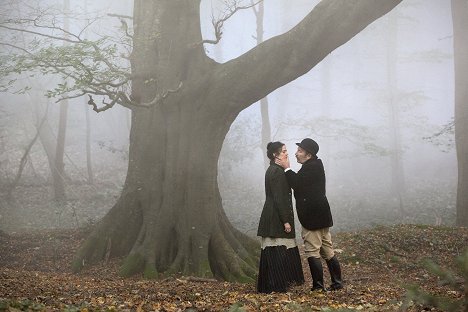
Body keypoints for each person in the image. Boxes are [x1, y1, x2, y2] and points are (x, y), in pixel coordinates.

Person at [276, 138, 343, 291]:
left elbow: (297, 184)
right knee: (328, 251)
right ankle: (337, 283)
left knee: (312, 252)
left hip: (313, 218)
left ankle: (318, 287)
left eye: (300, 151)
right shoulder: (314, 165)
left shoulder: (311, 167)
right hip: (322, 216)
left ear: (309, 154)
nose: (295, 154)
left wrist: (287, 168)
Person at [257, 141, 304, 293]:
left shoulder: (275, 169)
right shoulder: (276, 172)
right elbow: (279, 198)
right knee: (277, 250)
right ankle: (275, 286)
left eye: (286, 151)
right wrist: (286, 221)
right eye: (283, 151)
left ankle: (277, 285)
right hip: (274, 217)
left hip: (274, 215)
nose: (286, 153)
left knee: (279, 250)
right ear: (275, 155)